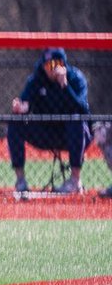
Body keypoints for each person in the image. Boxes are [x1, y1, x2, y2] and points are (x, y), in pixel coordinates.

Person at [8, 47, 90, 194]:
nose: (52, 69)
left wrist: (64, 85)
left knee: (76, 119)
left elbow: (82, 108)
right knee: (15, 122)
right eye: (48, 65)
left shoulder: (76, 78)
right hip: (45, 133)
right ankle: (20, 181)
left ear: (64, 64)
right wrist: (21, 107)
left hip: (72, 134)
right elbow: (26, 102)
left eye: (56, 64)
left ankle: (75, 181)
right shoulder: (36, 79)